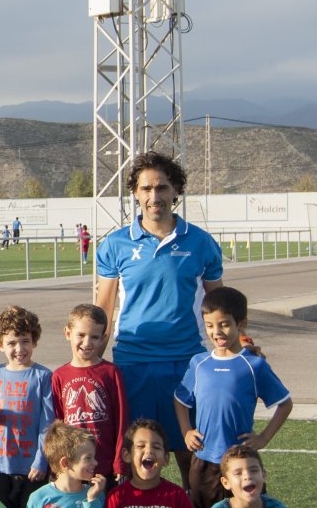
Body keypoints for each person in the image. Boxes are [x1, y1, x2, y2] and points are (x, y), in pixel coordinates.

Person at [94, 151, 223, 486]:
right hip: (132, 363)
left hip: (186, 362)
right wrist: (92, 358)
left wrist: (235, 348)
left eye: (162, 187)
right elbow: (103, 309)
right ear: (135, 193)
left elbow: (218, 305)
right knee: (137, 455)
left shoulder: (201, 243)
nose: (154, 196)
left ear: (175, 190)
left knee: (191, 456)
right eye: (146, 188)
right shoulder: (115, 245)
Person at [174, 287, 291, 508]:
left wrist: (264, 438)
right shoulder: (199, 363)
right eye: (209, 325)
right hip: (204, 461)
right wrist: (186, 431)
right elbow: (180, 401)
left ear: (241, 323)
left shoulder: (254, 364)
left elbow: (285, 404)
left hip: (242, 463)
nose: (216, 332)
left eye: (224, 324)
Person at [0, 307, 53, 508]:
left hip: (31, 467)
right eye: (12, 343)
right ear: (0, 345)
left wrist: (41, 461)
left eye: (25, 341)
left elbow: (48, 423)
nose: (19, 349)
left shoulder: (43, 376)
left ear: (34, 341)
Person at [50, 306, 127, 490]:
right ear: (68, 333)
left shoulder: (110, 372)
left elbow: (122, 419)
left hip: (104, 466)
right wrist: (55, 466)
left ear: (103, 338)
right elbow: (57, 426)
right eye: (81, 335)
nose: (87, 342)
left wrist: (120, 462)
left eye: (94, 337)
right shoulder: (59, 375)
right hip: (71, 466)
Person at [104, 419, 191, 508]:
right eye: (141, 446)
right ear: (127, 455)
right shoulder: (116, 497)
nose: (149, 451)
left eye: (156, 447)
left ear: (166, 458)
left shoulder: (178, 496)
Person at [25, 423, 106, 508]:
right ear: (65, 463)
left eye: (94, 457)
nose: (95, 462)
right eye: (88, 458)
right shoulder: (39, 498)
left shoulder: (96, 494)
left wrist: (91, 500)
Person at [211, 446, 285, 508]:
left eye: (253, 470)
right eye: (238, 473)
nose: (247, 476)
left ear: (263, 475)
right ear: (226, 482)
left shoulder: (276, 506)